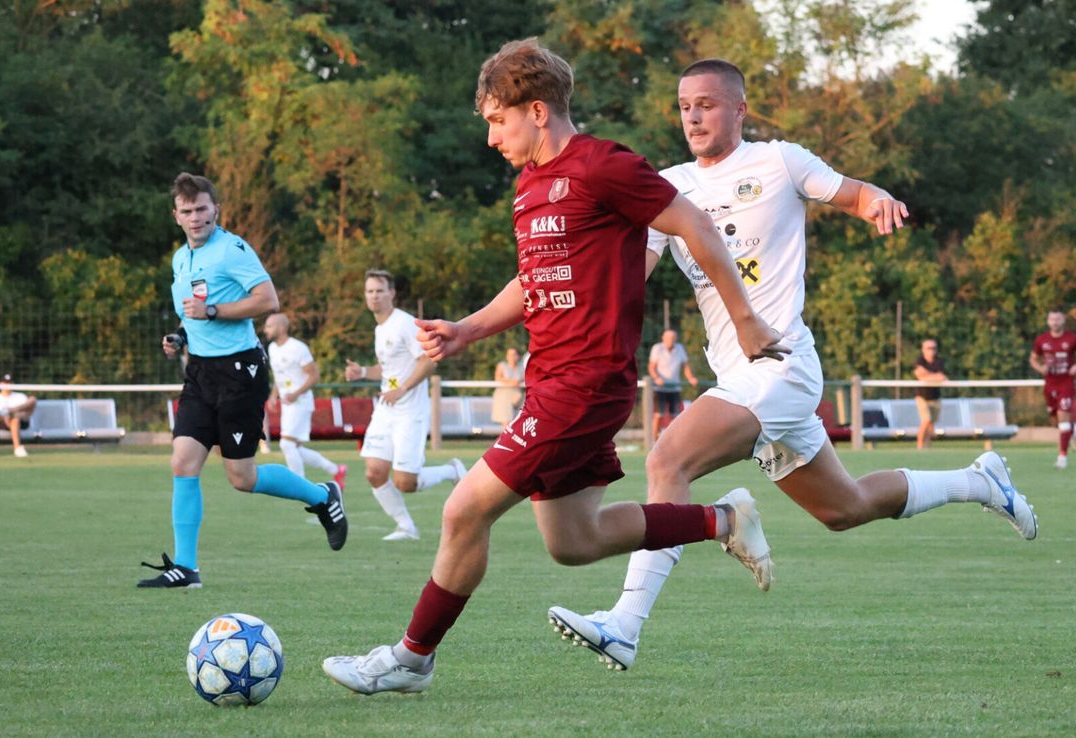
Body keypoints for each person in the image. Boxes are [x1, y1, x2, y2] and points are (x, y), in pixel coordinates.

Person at [322, 38, 790, 695]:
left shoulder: (605, 166)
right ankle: (723, 519)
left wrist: (743, 318)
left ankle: (410, 659)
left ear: (536, 109)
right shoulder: (529, 186)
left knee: (463, 512)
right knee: (574, 541)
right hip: (551, 380)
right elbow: (534, 279)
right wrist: (468, 329)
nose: (490, 138)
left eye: (496, 120)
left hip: (586, 382)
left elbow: (697, 226)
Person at [545, 58, 1038, 673]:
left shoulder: (779, 161)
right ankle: (980, 482)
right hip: (738, 380)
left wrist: (876, 199)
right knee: (845, 508)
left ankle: (624, 623)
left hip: (781, 367)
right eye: (684, 106)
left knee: (668, 459)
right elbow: (627, 282)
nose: (693, 116)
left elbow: (854, 193)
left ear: (740, 109)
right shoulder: (666, 187)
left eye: (707, 104)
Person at [138, 172, 348, 590]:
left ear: (215, 209)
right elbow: (190, 311)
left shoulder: (232, 250)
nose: (196, 218)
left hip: (240, 372)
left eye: (202, 209)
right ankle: (186, 567)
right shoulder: (182, 259)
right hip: (199, 371)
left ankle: (323, 497)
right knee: (183, 461)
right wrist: (179, 336)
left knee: (242, 478)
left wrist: (212, 312)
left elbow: (267, 300)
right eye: (187, 211)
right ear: (176, 216)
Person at [344, 269, 466, 542]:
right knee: (374, 472)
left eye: (379, 291)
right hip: (387, 408)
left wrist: (403, 389)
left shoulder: (405, 323)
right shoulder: (380, 328)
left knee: (405, 483)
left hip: (410, 410)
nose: (374, 296)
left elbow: (429, 359)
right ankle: (405, 527)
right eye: (370, 291)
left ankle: (452, 470)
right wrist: (363, 372)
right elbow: (388, 369)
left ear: (392, 293)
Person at [264, 312, 346, 487]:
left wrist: (296, 393)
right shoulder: (272, 348)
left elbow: (314, 376)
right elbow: (279, 376)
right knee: (295, 447)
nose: (265, 330)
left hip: (301, 402)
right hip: (288, 404)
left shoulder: (298, 348)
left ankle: (299, 484)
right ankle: (336, 470)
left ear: (281, 327)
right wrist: (273, 396)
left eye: (269, 326)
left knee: (287, 444)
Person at [1030, 310, 1076, 469]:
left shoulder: (1072, 339)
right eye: (1052, 319)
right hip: (1050, 384)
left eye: (1058, 319)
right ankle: (1074, 430)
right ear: (1048, 321)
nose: (1055, 322)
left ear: (1063, 320)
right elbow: (1033, 359)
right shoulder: (1042, 339)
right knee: (1055, 418)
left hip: (1066, 384)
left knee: (1063, 418)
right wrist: (1040, 368)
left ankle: (1062, 457)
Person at [648, 329, 699, 441]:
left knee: (675, 415)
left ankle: (672, 439)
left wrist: (690, 378)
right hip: (660, 388)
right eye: (668, 338)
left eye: (672, 338)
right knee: (658, 414)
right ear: (663, 338)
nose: (670, 340)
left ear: (675, 339)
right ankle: (654, 441)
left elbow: (685, 365)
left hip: (675, 388)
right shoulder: (657, 348)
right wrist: (657, 378)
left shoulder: (679, 348)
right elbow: (651, 367)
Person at [913, 339, 948, 449]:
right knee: (926, 420)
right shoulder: (920, 360)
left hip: (935, 397)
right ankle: (919, 446)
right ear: (923, 350)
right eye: (929, 348)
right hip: (922, 397)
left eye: (934, 348)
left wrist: (927, 375)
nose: (931, 351)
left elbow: (942, 377)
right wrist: (934, 376)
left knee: (931, 423)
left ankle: (927, 445)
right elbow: (919, 374)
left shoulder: (939, 361)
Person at [0, 374, 36, 458]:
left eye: (9, 383)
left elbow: (28, 410)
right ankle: (17, 448)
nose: (7, 385)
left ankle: (13, 410)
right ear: (1, 384)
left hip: (22, 420)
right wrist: (8, 415)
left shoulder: (20, 396)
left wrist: (13, 411)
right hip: (4, 423)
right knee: (14, 418)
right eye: (5, 383)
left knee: (32, 400)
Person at [490, 347, 524, 425]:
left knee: (522, 418)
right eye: (509, 355)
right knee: (506, 420)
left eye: (514, 354)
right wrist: (511, 382)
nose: (512, 357)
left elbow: (525, 378)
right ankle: (506, 436)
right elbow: (498, 377)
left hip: (517, 395)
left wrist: (518, 381)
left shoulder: (521, 367)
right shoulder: (502, 365)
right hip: (504, 395)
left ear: (518, 356)